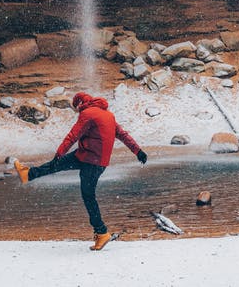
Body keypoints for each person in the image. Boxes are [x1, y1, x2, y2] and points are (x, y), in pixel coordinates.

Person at [14, 91, 147, 251]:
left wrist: (59, 152)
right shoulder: (108, 115)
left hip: (92, 162)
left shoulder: (88, 114)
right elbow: (123, 135)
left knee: (88, 196)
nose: (77, 111)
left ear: (79, 104)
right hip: (86, 157)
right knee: (56, 165)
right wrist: (138, 151)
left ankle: (102, 232)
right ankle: (27, 174)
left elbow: (73, 135)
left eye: (76, 107)